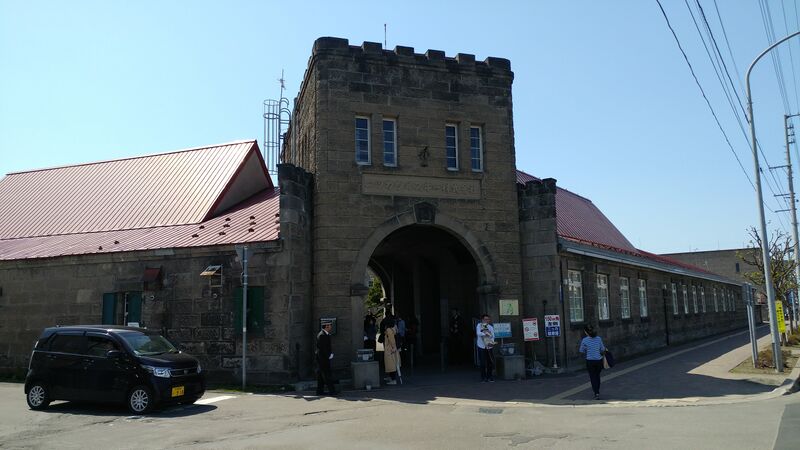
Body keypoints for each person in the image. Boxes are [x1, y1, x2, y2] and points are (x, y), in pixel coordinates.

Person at [579, 324, 606, 400]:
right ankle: (597, 391)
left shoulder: (585, 340)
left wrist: (586, 348)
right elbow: (602, 349)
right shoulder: (598, 339)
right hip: (598, 361)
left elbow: (581, 350)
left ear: (586, 332)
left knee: (592, 377)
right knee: (597, 376)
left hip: (590, 361)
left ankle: (596, 393)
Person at [316, 321, 337, 396]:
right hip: (323, 359)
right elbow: (323, 348)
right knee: (327, 375)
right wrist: (329, 355)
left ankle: (319, 391)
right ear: (326, 327)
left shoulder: (325, 334)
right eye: (330, 326)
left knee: (321, 376)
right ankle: (332, 391)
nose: (331, 327)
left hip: (322, 358)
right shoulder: (322, 335)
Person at [475, 314, 495, 382]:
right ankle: (483, 377)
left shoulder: (490, 327)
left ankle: (489, 376)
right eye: (485, 319)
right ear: (482, 320)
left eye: (488, 319)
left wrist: (492, 342)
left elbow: (493, 336)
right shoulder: (479, 325)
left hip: (489, 346)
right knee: (482, 362)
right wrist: (485, 334)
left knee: (490, 362)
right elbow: (478, 333)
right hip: (481, 346)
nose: (487, 321)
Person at [383, 318, 401, 385]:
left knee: (392, 365)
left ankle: (393, 380)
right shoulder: (394, 329)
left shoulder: (389, 330)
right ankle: (391, 377)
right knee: (392, 364)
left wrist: (393, 347)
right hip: (393, 349)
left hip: (390, 349)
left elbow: (391, 339)